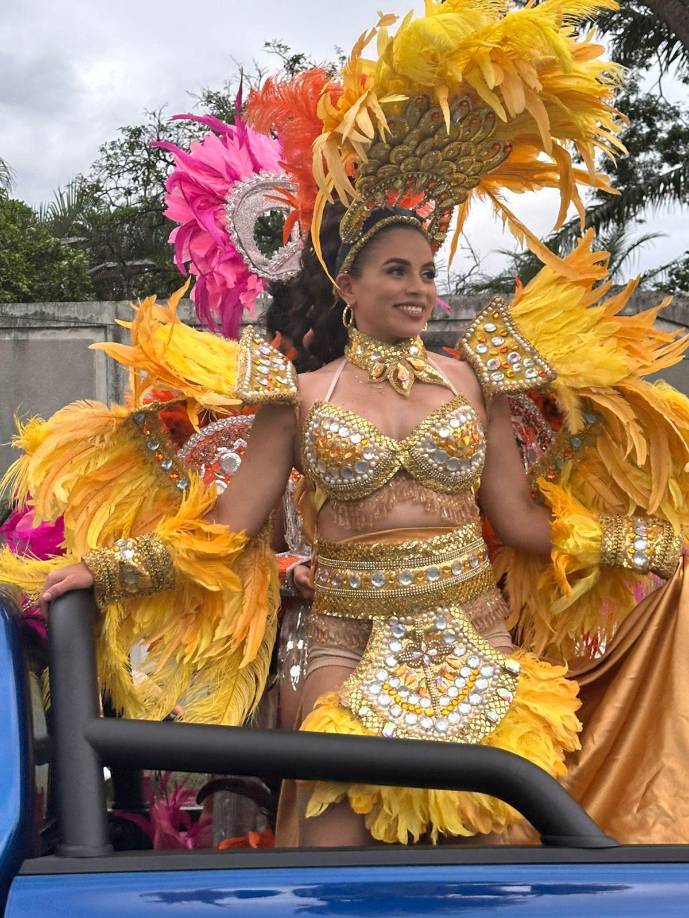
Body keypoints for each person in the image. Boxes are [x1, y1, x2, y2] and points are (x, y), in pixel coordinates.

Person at [2, 0, 688, 845]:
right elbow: (226, 530)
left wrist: (646, 544)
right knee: (337, 855)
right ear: (347, 286)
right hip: (346, 644)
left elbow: (515, 520)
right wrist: (105, 569)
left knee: (498, 854)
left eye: (427, 272)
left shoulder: (478, 380)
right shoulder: (296, 396)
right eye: (395, 271)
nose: (418, 289)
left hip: (476, 639)